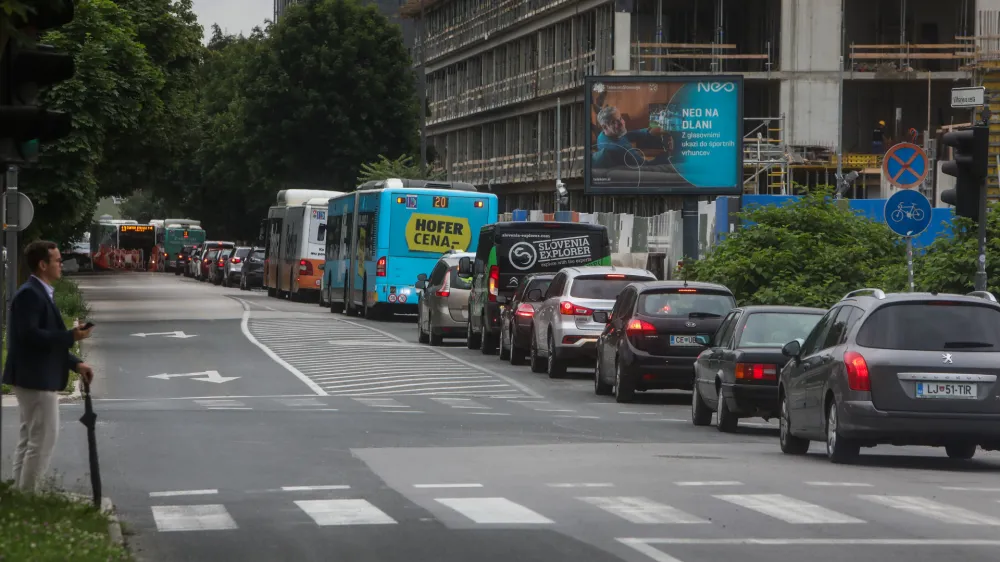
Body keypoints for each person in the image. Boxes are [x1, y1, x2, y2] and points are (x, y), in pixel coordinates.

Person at [2, 240, 94, 492]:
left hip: (35, 375)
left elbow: (46, 338)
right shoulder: (30, 295)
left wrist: (76, 363)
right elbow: (32, 337)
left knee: (30, 438)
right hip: (35, 377)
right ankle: (30, 497)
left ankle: (21, 495)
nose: (61, 265)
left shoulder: (38, 292)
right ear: (43, 265)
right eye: (57, 261)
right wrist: (71, 336)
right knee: (42, 439)